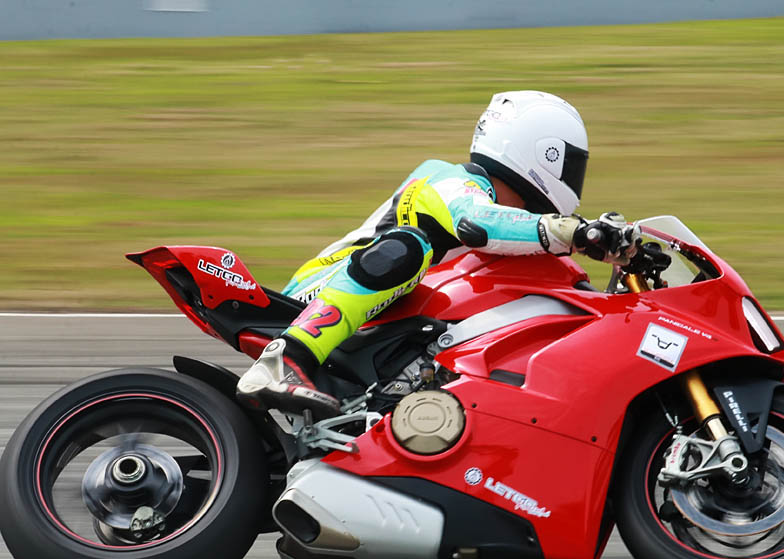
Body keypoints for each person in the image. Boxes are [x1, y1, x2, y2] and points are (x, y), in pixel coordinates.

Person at [236, 90, 635, 417]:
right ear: (542, 153)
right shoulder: (450, 180)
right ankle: (285, 359)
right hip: (314, 297)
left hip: (391, 319)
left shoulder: (516, 235)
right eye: (572, 164)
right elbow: (479, 223)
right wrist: (578, 232)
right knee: (410, 247)